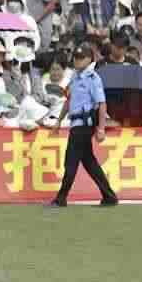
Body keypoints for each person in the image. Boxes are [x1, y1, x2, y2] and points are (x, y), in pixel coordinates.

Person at [50, 39, 118, 207]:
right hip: (75, 123)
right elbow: (69, 101)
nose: (77, 60)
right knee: (89, 162)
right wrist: (58, 121)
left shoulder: (93, 78)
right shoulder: (74, 77)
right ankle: (109, 196)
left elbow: (101, 104)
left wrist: (101, 129)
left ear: (89, 59)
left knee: (71, 161)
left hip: (84, 125)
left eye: (81, 58)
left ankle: (61, 198)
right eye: (75, 57)